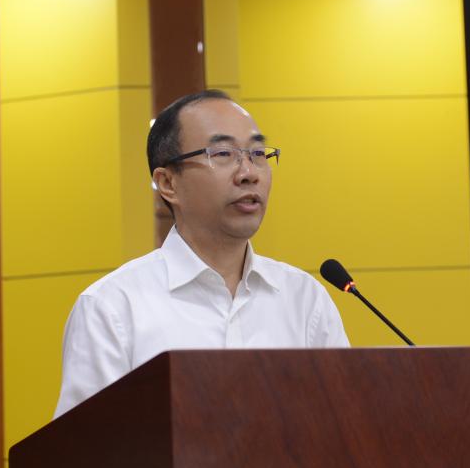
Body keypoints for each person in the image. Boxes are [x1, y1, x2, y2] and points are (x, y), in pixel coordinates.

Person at [53, 89, 349, 417]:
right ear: (168, 183)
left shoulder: (305, 301)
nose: (249, 173)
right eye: (222, 153)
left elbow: (345, 427)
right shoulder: (112, 308)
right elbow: (85, 445)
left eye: (257, 153)